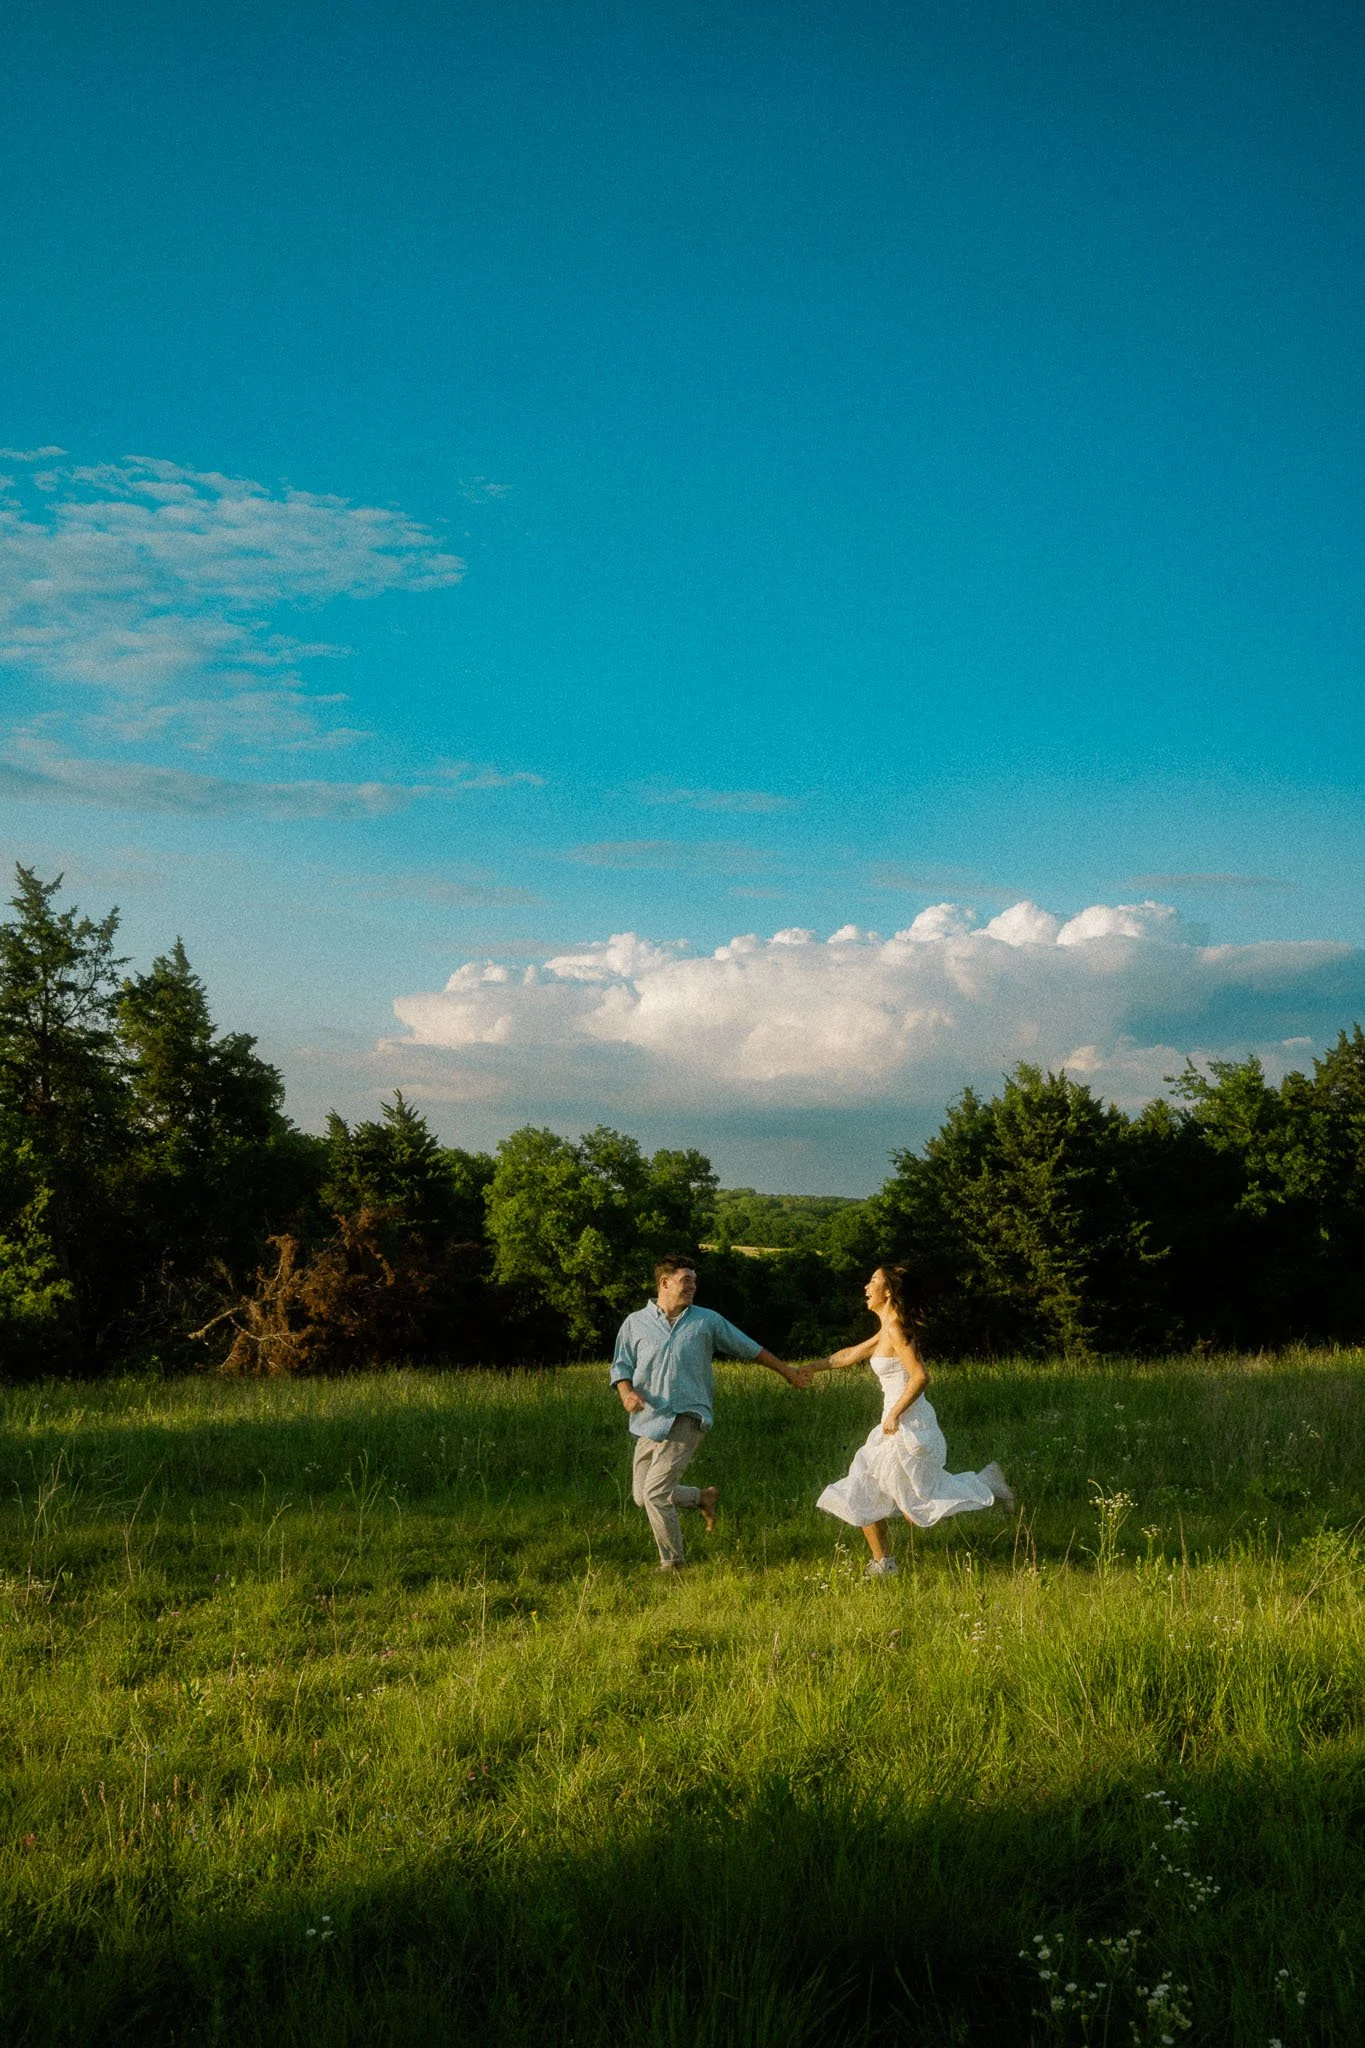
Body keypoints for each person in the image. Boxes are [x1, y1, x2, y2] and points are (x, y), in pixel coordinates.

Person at [808, 1265, 1014, 1578]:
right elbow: (849, 1354)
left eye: (873, 1281)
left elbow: (920, 1376)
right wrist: (806, 1369)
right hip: (891, 1424)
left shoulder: (896, 1328)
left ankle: (987, 1483)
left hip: (909, 1424)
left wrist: (894, 1414)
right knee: (863, 1485)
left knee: (918, 1505)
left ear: (888, 1292)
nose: (866, 1286)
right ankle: (884, 1564)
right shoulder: (885, 1328)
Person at [611, 1255, 811, 1570]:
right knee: (641, 1496)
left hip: (688, 1415)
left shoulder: (707, 1321)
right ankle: (701, 1498)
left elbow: (750, 1349)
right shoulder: (635, 1323)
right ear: (665, 1282)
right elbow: (621, 1365)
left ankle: (673, 1564)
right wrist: (626, 1393)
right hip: (648, 1418)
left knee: (654, 1494)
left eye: (694, 1280)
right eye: (685, 1279)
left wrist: (787, 1372)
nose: (693, 1286)